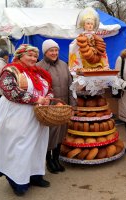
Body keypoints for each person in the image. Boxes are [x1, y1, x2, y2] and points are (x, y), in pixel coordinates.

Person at [0, 44, 54, 196]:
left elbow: (48, 88)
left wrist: (48, 98)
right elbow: (10, 90)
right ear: (19, 56)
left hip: (38, 116)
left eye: (34, 56)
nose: (33, 58)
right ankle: (18, 181)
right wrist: (37, 98)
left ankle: (35, 175)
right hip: (17, 116)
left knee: (38, 145)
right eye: (29, 55)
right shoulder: (10, 70)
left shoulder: (39, 73)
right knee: (19, 147)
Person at [37, 39, 76, 174]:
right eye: (51, 50)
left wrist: (72, 105)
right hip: (49, 108)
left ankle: (56, 159)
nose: (54, 53)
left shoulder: (64, 65)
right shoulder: (39, 67)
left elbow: (71, 86)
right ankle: (49, 161)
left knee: (61, 134)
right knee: (49, 135)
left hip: (64, 106)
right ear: (45, 52)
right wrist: (49, 103)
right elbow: (39, 90)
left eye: (56, 50)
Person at [69, 7, 109, 74]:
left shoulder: (96, 37)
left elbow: (101, 49)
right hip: (83, 58)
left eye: (91, 24)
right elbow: (73, 48)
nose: (90, 26)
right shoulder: (81, 37)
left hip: (95, 57)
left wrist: (94, 49)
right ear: (84, 25)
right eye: (88, 24)